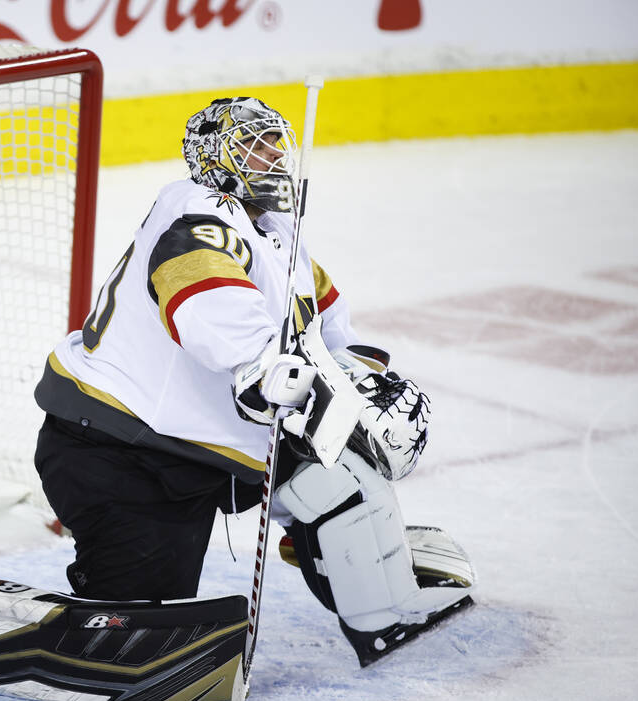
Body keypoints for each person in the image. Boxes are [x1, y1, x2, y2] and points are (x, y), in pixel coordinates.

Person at [33, 97, 475, 667]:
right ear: (214, 159)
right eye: (252, 145)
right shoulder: (199, 213)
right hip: (123, 452)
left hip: (198, 442)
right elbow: (202, 297)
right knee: (132, 639)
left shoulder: (276, 231)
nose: (270, 158)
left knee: (338, 479)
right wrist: (263, 367)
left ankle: (382, 611)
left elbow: (323, 319)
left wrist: (358, 376)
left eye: (275, 145)